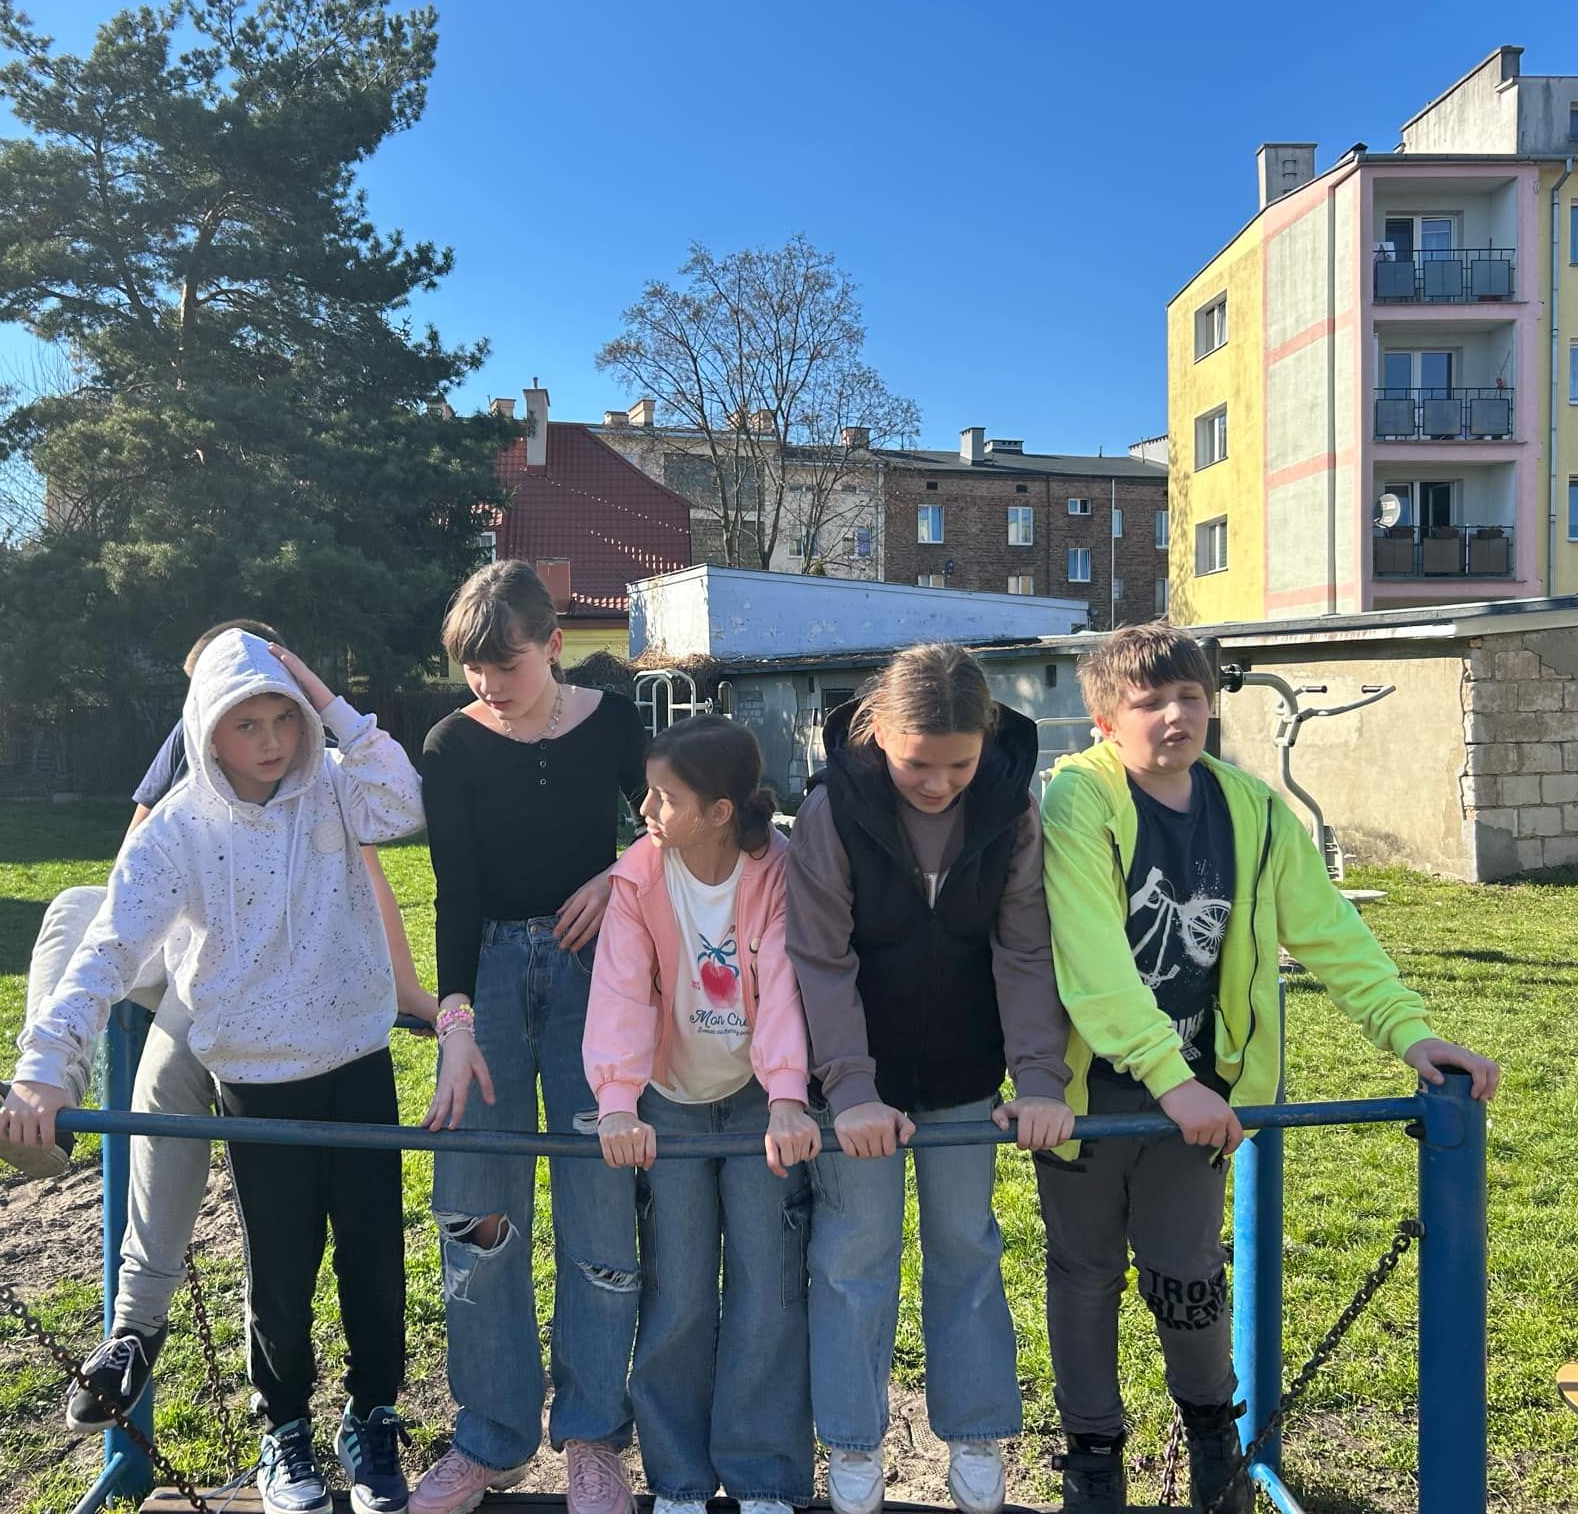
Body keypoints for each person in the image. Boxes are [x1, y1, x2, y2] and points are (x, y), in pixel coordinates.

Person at [1037, 622, 1500, 1514]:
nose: (1175, 716)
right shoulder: (1078, 800)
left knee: (1187, 1275)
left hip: (1199, 1097)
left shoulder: (1248, 808)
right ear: (1104, 720)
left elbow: (1327, 928)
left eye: (1191, 697)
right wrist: (1166, 1076)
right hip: (1089, 1091)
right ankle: (1093, 1457)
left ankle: (1214, 1434)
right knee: (1084, 1277)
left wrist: (1409, 1034)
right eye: (1149, 702)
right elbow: (1090, 958)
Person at [0, 618, 435, 1444]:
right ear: (204, 712)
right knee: (80, 919)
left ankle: (142, 1324)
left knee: (165, 1088)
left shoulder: (325, 774)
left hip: (286, 1011)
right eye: (246, 722)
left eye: (283, 716)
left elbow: (385, 835)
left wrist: (406, 990)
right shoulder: (183, 795)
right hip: (199, 959)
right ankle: (53, 1092)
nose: (270, 740)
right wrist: (46, 1060)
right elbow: (121, 912)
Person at [785, 642, 1074, 1514]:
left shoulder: (1012, 808)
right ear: (878, 732)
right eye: (918, 764)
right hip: (855, 1088)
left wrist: (1039, 1078)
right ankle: (852, 1443)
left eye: (959, 764)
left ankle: (977, 1432)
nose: (939, 783)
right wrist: (850, 1088)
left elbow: (1024, 948)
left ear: (985, 741)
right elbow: (820, 959)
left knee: (967, 1249)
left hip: (963, 1074)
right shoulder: (832, 810)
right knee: (853, 1256)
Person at [412, 560, 648, 1514]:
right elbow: (455, 894)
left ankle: (593, 1436)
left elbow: (671, 822)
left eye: (505, 665)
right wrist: (455, 1026)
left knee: (602, 1209)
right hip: (490, 979)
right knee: (477, 1213)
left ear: (554, 646)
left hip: (600, 972)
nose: (488, 685)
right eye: (473, 669)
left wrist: (620, 876)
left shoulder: (617, 722)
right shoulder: (449, 745)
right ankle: (491, 1437)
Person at [583, 715, 820, 1514]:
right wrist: (618, 1104)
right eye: (648, 792)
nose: (646, 809)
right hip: (670, 1105)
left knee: (768, 1291)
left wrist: (786, 1096)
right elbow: (620, 993)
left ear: (720, 812)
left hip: (757, 1103)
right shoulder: (638, 878)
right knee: (678, 1294)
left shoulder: (775, 873)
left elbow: (783, 986)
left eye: (665, 797)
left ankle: (762, 1476)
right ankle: (679, 1479)